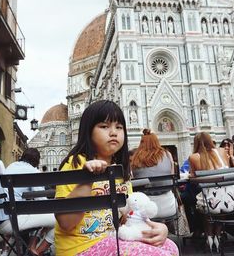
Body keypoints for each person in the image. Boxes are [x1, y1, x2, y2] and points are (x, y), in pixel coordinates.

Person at [54, 100, 177, 256]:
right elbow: (66, 223)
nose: (113, 132)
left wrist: (158, 228)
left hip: (114, 240)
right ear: (88, 131)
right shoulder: (76, 163)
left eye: (119, 127)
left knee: (170, 247)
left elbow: (129, 216)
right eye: (104, 126)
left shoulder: (120, 169)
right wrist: (87, 180)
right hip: (81, 247)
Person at [0, 148, 55, 256]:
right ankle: (37, 252)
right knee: (60, 220)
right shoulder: (33, 171)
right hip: (11, 222)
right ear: (37, 161)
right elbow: (42, 203)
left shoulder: (11, 166)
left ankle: (31, 246)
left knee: (38, 217)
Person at [189, 132, 234, 251]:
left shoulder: (194, 157)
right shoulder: (222, 151)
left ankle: (209, 237)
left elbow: (193, 178)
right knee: (221, 201)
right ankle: (218, 235)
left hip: (210, 201)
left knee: (207, 202)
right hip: (232, 199)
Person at [131, 129, 177, 219]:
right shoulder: (167, 154)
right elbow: (172, 176)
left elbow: (134, 180)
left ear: (141, 143)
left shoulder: (135, 157)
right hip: (168, 206)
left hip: (144, 209)